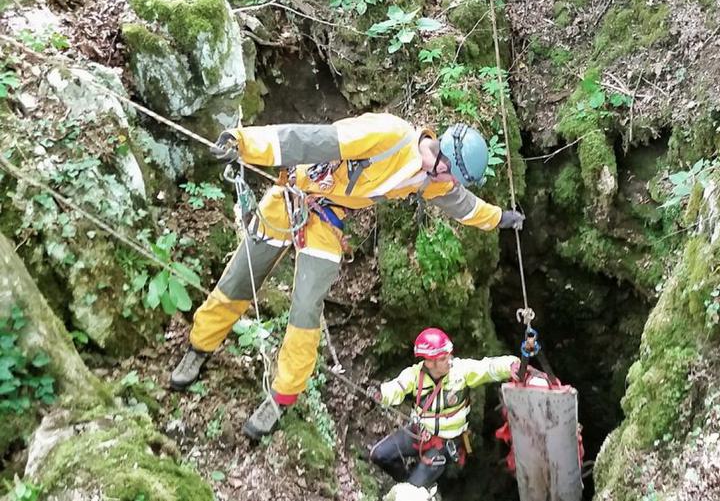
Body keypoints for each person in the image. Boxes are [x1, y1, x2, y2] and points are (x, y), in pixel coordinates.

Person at [168, 113, 526, 440]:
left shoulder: (433, 178)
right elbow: (309, 138)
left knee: (306, 308)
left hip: (326, 219)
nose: (448, 182)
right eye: (449, 174)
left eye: (452, 179)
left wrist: (499, 219)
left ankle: (281, 396)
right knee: (240, 279)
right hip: (290, 198)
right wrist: (244, 143)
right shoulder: (386, 135)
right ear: (443, 154)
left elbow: (461, 204)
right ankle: (199, 347)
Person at [368, 327, 523, 488]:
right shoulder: (414, 375)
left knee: (411, 492)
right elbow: (396, 388)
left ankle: (413, 487)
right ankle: (408, 483)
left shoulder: (460, 372)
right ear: (429, 362)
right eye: (443, 358)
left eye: (449, 355)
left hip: (445, 442)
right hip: (420, 433)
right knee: (379, 455)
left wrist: (510, 365)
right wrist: (381, 394)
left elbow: (487, 367)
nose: (449, 360)